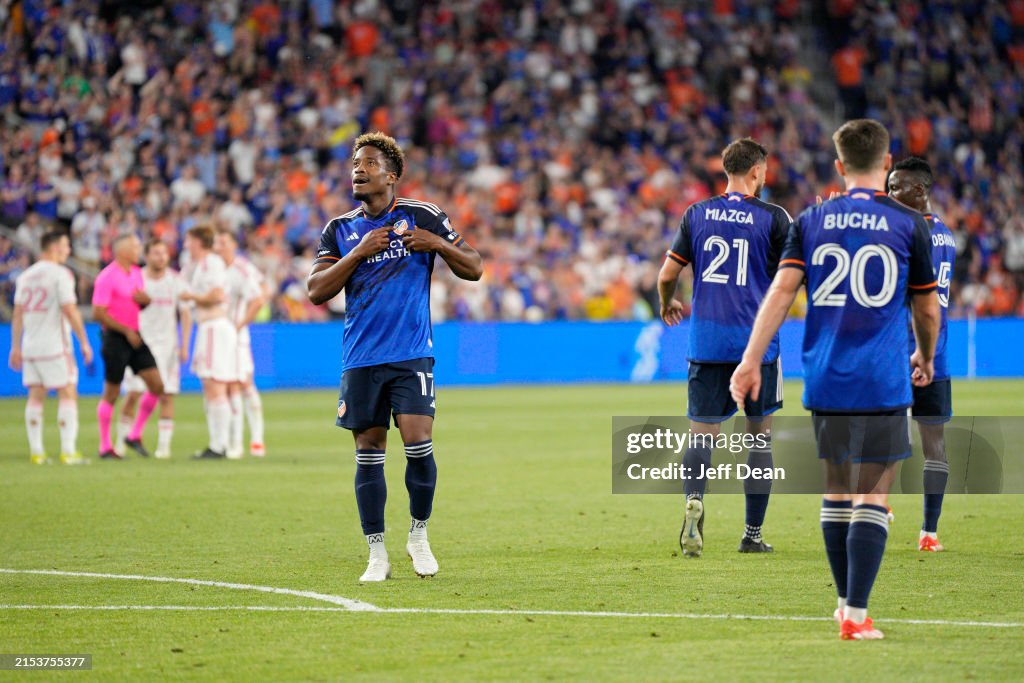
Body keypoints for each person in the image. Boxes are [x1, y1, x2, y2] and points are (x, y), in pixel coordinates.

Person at [730, 119, 940, 640]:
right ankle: (854, 612)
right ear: (886, 164)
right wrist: (926, 354)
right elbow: (928, 308)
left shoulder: (812, 219)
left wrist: (751, 359)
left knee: (837, 491)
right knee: (873, 495)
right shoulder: (910, 225)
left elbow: (780, 293)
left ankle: (846, 605)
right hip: (883, 376)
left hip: (825, 374)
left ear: (840, 166)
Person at [306, 132, 483, 582]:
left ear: (391, 174)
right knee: (369, 451)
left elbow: (475, 266)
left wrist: (438, 245)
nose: (357, 170)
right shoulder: (340, 230)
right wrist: (358, 254)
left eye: (367, 163)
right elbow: (316, 291)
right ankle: (376, 552)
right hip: (361, 357)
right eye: (354, 164)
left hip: (411, 354)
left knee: (418, 442)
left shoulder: (420, 215)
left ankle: (419, 537)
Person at [658, 138, 790, 557]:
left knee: (701, 436)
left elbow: (667, 275)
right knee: (759, 440)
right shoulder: (774, 217)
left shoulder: (696, 214)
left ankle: (693, 502)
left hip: (707, 343)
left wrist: (668, 301)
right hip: (757, 346)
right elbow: (792, 275)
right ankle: (752, 534)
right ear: (755, 171)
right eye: (764, 171)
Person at [886, 157, 957, 552]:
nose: (891, 194)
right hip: (937, 352)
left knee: (882, 430)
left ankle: (879, 504)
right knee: (934, 443)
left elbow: (915, 298)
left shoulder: (910, 233)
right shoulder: (945, 234)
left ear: (919, 190)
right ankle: (929, 533)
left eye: (896, 187)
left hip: (905, 351)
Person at [9, 231, 93, 464]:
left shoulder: (25, 276)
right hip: (56, 345)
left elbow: (18, 314)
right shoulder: (61, 274)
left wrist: (15, 347)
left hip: (30, 346)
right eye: (66, 246)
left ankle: (37, 452)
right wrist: (84, 341)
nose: (68, 251)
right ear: (54, 247)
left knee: (36, 396)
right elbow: (70, 309)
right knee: (67, 392)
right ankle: (68, 451)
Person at [115, 240, 192, 459]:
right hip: (140, 345)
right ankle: (121, 444)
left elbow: (185, 314)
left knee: (166, 395)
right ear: (147, 256)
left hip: (167, 347)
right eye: (156, 253)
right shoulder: (135, 278)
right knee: (133, 394)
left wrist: (184, 343)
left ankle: (163, 449)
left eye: (164, 253)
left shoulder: (176, 281)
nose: (161, 257)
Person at [92, 234, 165, 460]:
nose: (138, 249)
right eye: (134, 246)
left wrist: (146, 302)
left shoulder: (136, 273)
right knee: (112, 392)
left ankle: (134, 434)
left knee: (157, 384)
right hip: (116, 338)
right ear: (121, 250)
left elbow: (135, 305)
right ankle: (105, 446)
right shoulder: (106, 277)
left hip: (134, 335)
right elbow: (98, 313)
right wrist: (125, 331)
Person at [180, 224, 237, 459]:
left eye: (189, 240)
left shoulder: (211, 263)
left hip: (215, 326)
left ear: (198, 242)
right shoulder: (194, 267)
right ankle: (217, 443)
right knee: (209, 385)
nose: (185, 245)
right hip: (206, 327)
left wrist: (192, 296)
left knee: (215, 385)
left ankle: (219, 445)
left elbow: (217, 295)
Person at [214, 227, 267, 459]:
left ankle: (255, 439)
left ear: (234, 244)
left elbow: (259, 296)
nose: (219, 247)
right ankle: (232, 441)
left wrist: (239, 325)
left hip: (236, 337)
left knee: (243, 384)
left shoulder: (243, 269)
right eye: (216, 243)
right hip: (217, 336)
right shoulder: (213, 269)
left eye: (224, 242)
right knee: (227, 386)